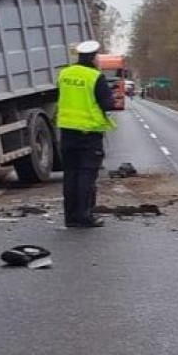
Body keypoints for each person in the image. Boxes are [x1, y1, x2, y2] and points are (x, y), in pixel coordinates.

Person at [56, 40, 116, 229]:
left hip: (67, 132)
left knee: (71, 175)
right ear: (94, 57)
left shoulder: (64, 74)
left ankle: (70, 217)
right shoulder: (95, 77)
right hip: (89, 133)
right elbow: (107, 104)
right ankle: (85, 216)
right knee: (87, 175)